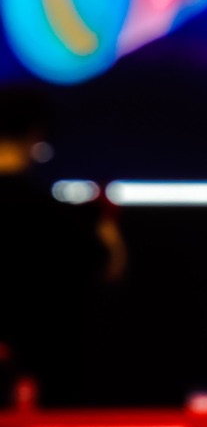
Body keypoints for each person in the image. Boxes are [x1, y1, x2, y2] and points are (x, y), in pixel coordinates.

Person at [0, 86, 118, 407]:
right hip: (47, 381)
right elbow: (108, 266)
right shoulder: (57, 217)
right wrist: (105, 220)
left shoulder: (55, 215)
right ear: (35, 135)